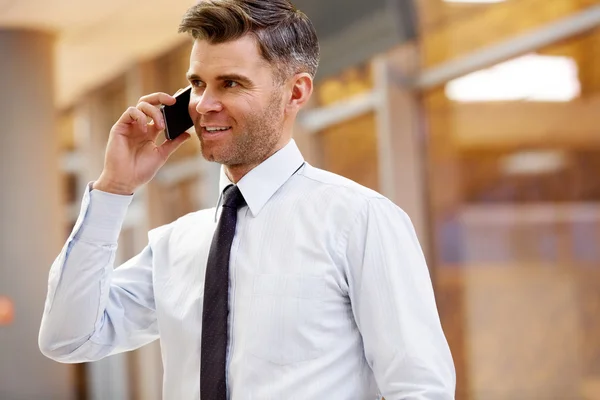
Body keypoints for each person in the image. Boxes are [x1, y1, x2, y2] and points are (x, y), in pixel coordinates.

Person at [38, 0, 456, 399]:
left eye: (231, 84)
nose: (204, 105)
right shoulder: (178, 243)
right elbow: (68, 338)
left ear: (295, 93)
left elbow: (419, 388)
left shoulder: (359, 220)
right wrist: (114, 188)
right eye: (197, 84)